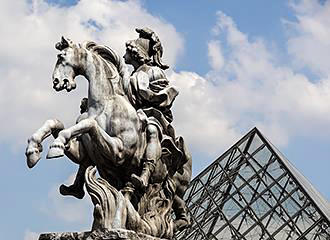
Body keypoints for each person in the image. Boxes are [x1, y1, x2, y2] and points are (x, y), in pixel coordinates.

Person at [123, 28, 181, 189]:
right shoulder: (129, 76)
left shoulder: (154, 72)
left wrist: (146, 94)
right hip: (133, 115)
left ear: (136, 53)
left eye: (126, 52)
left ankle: (146, 173)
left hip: (154, 115)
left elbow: (163, 96)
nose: (123, 56)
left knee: (152, 131)